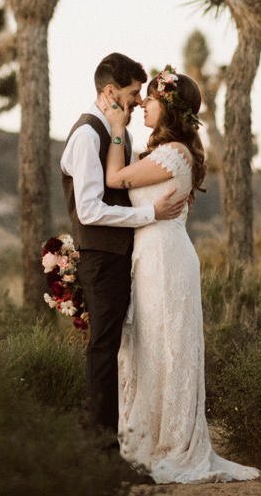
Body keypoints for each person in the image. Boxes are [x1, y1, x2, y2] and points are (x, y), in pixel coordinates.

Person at [102, 68, 260, 484]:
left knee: (166, 346)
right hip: (150, 255)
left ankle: (171, 441)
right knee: (151, 346)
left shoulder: (174, 154)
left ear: (168, 108)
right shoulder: (162, 152)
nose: (140, 108)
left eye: (148, 101)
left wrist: (116, 128)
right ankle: (146, 434)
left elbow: (114, 178)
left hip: (166, 260)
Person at [61, 53, 190, 443]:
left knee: (118, 347)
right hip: (102, 256)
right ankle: (100, 445)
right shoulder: (87, 135)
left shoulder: (118, 133)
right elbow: (89, 210)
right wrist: (150, 214)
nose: (137, 102)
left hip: (125, 257)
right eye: (134, 94)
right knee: (105, 347)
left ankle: (119, 437)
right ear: (110, 92)